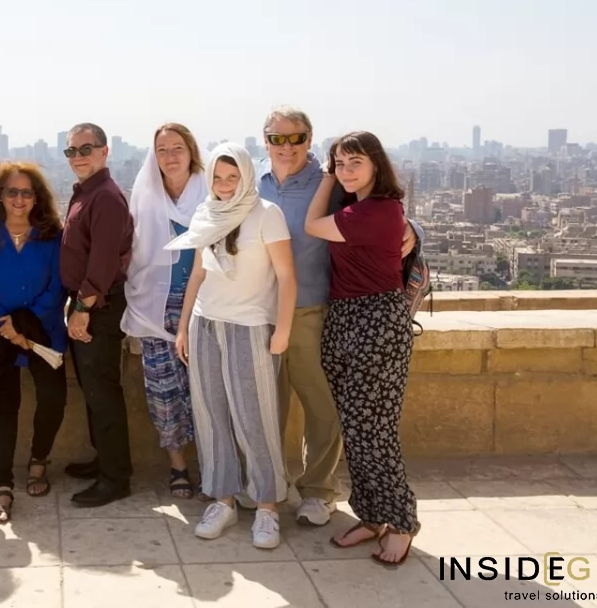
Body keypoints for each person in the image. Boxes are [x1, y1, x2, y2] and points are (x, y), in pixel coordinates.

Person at [255, 105, 418, 527]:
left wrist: (416, 229)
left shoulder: (329, 181)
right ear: (265, 140)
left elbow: (381, 209)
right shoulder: (249, 181)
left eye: (295, 138)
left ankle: (318, 490)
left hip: (314, 308)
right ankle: (267, 488)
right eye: (276, 138)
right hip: (260, 312)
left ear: (309, 140)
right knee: (264, 405)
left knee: (322, 407)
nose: (285, 146)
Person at [168, 142, 297, 550]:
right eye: (218, 177)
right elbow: (199, 275)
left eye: (233, 176)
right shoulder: (206, 213)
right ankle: (222, 500)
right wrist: (184, 325)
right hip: (207, 325)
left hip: (251, 327)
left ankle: (266, 507)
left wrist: (283, 331)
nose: (225, 185)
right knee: (210, 415)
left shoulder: (267, 214)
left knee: (254, 418)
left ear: (245, 175)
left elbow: (287, 277)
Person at [304, 130, 421, 567]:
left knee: (376, 432)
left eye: (355, 163)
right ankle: (372, 516)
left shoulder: (380, 210)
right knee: (354, 430)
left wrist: (325, 180)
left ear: (376, 164)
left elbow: (311, 226)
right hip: (343, 318)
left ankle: (402, 521)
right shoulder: (356, 207)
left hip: (377, 322)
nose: (346, 171)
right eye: (339, 163)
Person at [0, 162, 68, 523]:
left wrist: (26, 326)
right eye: (12, 191)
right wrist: (8, 328)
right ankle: (3, 485)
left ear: (37, 197)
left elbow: (59, 285)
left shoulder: (53, 236)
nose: (19, 199)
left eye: (27, 192)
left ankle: (39, 459)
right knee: (2, 407)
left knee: (53, 398)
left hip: (43, 333)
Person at [121, 123, 207, 500]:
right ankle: (178, 467)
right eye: (163, 150)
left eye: (178, 148)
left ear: (191, 152)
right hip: (155, 307)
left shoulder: (211, 191)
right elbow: (133, 248)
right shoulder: (145, 195)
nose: (170, 156)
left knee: (208, 392)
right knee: (164, 393)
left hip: (207, 305)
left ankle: (217, 469)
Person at [59, 122, 135, 507]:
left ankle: (115, 477)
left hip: (98, 308)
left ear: (105, 151)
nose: (78, 156)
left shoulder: (104, 197)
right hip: (88, 304)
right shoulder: (86, 193)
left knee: (102, 391)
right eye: (71, 151)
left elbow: (103, 262)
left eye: (86, 148)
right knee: (93, 390)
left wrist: (83, 308)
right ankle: (105, 461)